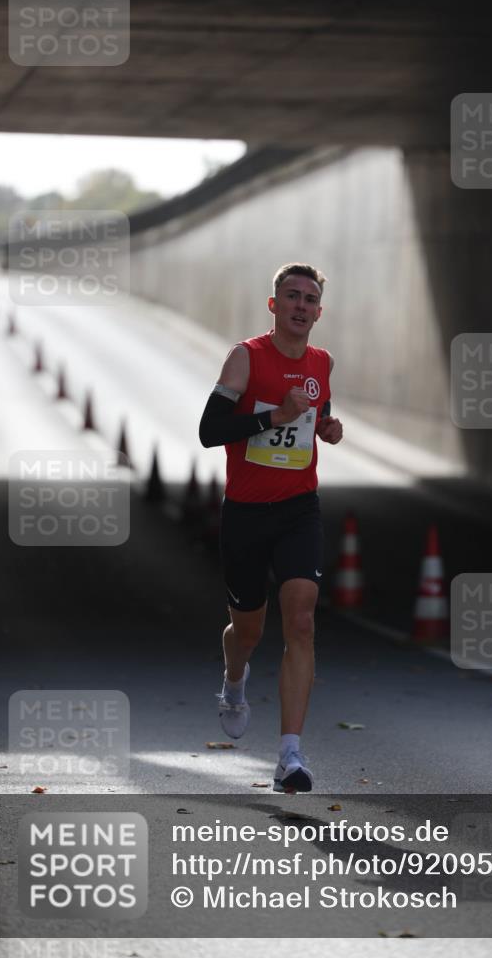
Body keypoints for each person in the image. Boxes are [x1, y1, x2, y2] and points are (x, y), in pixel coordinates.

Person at [198, 262, 343, 792]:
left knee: (301, 620)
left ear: (319, 312)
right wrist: (272, 417)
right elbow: (209, 430)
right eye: (292, 296)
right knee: (249, 632)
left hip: (299, 509)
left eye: (310, 299)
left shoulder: (322, 362)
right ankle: (234, 679)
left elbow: (316, 415)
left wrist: (327, 428)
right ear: (274, 305)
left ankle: (290, 756)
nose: (301, 306)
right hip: (246, 512)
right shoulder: (246, 357)